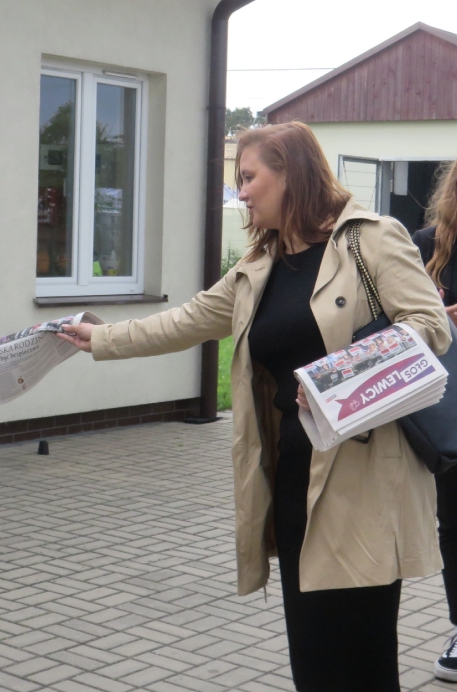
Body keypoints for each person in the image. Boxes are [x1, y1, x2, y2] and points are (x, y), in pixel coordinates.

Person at [59, 121, 451, 691]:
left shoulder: (370, 239)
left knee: (362, 661)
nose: (240, 192)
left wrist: (339, 380)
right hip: (292, 477)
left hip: (362, 477)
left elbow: (429, 325)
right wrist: (100, 338)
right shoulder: (259, 265)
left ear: (290, 174)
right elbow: (187, 320)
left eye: (248, 177)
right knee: (312, 660)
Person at [412, 159, 457, 682]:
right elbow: (396, 323)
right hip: (450, 411)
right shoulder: (426, 245)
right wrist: (436, 319)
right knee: (456, 524)